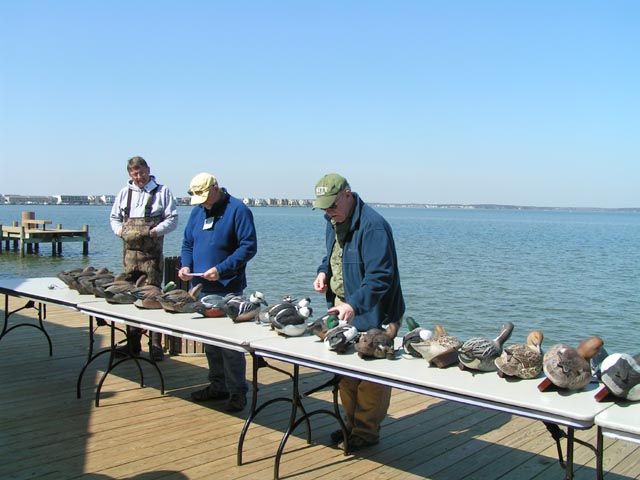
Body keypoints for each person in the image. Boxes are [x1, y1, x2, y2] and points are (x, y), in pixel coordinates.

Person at [312, 173, 405, 451]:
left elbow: (380, 277)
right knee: (345, 374)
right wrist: (322, 273)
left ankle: (365, 433)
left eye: (332, 205)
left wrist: (354, 304)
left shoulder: (374, 227)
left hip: (375, 313)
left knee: (370, 380)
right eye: (324, 207)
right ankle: (349, 426)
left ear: (348, 195)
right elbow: (331, 255)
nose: (329, 212)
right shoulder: (333, 220)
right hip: (345, 307)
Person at [179, 172, 257, 412]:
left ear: (215, 188)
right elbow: (188, 243)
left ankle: (237, 392)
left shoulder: (238, 210)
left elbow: (248, 247)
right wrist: (185, 265)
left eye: (204, 196)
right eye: (198, 198)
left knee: (231, 345)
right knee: (210, 342)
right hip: (201, 288)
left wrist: (221, 270)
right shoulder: (197, 211)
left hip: (229, 289)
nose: (202, 201)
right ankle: (217, 385)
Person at [109, 156, 178, 360]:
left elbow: (173, 219)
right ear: (130, 174)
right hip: (129, 257)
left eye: (141, 172)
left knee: (153, 297)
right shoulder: (124, 193)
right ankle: (133, 344)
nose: (139, 177)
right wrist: (120, 231)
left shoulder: (162, 191)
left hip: (152, 258)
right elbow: (113, 218)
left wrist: (155, 232)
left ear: (148, 170)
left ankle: (155, 345)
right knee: (131, 296)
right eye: (134, 173)